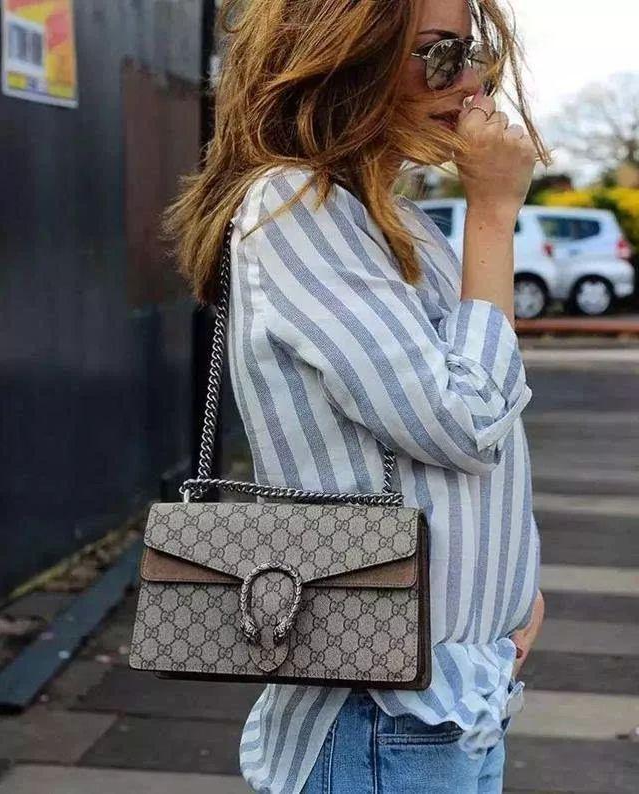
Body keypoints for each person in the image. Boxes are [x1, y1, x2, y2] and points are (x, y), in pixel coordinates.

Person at [166, 1, 550, 792]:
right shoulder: (296, 205)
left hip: (460, 694)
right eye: (439, 54)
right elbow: (461, 421)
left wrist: (510, 592)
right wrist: (493, 213)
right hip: (380, 712)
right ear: (344, 56)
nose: (471, 82)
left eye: (472, 52)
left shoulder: (391, 218)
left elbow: (478, 442)